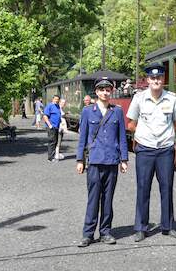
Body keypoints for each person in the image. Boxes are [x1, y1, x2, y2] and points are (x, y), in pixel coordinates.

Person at [127, 62, 176, 242]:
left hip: (165, 150)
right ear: (147, 80)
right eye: (152, 78)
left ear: (163, 79)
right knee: (143, 188)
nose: (156, 80)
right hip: (145, 149)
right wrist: (144, 135)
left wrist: (165, 137)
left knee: (166, 187)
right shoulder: (139, 98)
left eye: (159, 77)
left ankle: (168, 226)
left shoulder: (172, 98)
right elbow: (130, 123)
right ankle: (141, 228)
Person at [76, 77, 129, 247]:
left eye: (108, 90)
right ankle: (88, 233)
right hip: (95, 162)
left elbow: (122, 136)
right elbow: (82, 137)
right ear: (96, 92)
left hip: (112, 161)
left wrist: (124, 159)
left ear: (111, 91)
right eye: (102, 90)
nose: (105, 93)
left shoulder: (117, 111)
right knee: (93, 198)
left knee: (108, 199)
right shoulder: (87, 111)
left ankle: (105, 232)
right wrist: (80, 160)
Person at [43, 95, 61, 163]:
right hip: (51, 126)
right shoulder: (49, 106)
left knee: (55, 141)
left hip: (56, 127)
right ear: (52, 99)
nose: (56, 100)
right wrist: (49, 125)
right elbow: (45, 116)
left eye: (57, 99)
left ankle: (52, 156)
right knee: (52, 142)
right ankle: (50, 158)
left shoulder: (57, 106)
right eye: (55, 99)